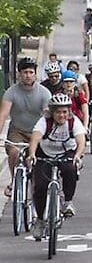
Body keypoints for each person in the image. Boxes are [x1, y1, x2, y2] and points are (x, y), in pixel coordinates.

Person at [28, 93, 86, 240]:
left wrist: (78, 155)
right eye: (58, 112)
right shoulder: (44, 122)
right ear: (52, 112)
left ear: (69, 112)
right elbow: (35, 138)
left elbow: (81, 141)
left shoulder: (73, 122)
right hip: (45, 154)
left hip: (66, 153)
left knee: (70, 169)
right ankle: (40, 221)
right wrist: (32, 154)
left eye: (65, 112)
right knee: (40, 187)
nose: (62, 115)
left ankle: (68, 202)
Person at [0, 57, 51, 197]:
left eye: (30, 72)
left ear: (35, 74)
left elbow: (48, 114)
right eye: (24, 72)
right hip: (18, 131)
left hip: (37, 133)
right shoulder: (11, 92)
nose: (28, 75)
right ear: (19, 74)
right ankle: (13, 180)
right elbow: (3, 115)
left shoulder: (44, 93)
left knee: (36, 165)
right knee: (14, 152)